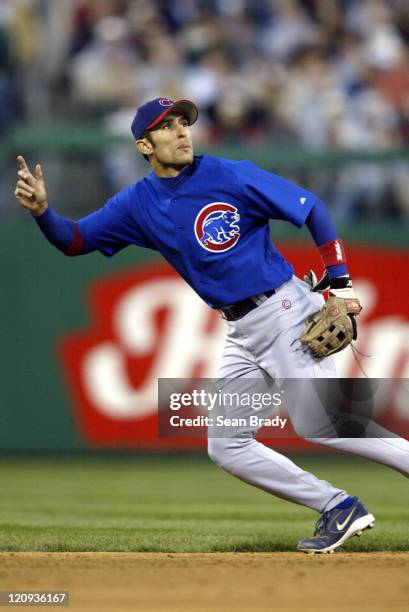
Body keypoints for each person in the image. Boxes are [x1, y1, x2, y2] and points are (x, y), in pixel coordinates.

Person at [14, 97, 409, 554]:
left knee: (324, 422)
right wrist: (43, 213)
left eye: (184, 123)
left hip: (282, 311)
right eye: (167, 127)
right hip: (242, 331)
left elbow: (310, 207)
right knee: (227, 445)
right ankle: (338, 506)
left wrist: (339, 280)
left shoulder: (230, 175)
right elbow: (75, 240)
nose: (181, 132)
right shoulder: (137, 203)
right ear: (144, 144)